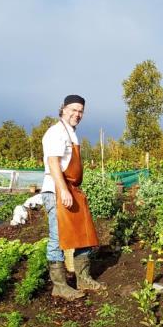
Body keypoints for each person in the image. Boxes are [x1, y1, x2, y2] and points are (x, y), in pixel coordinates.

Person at [41, 94, 106, 300]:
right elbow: (53, 163)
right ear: (63, 109)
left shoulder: (71, 134)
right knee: (57, 238)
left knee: (84, 234)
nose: (77, 114)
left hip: (71, 189)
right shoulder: (56, 132)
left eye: (80, 111)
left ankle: (83, 279)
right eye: (73, 110)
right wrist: (64, 190)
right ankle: (59, 286)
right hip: (57, 190)